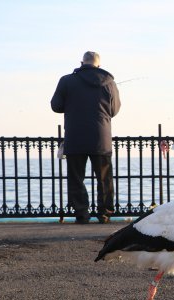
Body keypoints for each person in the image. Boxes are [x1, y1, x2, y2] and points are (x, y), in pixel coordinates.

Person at [51, 51, 121, 224]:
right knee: (104, 179)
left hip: (75, 136)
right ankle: (104, 214)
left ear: (82, 62)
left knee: (76, 178)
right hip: (101, 138)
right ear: (98, 64)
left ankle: (81, 214)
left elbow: (56, 105)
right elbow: (114, 110)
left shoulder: (67, 80)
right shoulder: (109, 83)